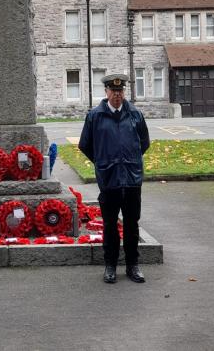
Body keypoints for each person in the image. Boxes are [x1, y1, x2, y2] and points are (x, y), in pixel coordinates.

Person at [79, 73, 150, 284]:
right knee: (110, 225)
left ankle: (132, 266)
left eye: (120, 91)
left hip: (131, 179)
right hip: (109, 180)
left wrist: (130, 161)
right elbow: (85, 145)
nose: (117, 95)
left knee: (131, 224)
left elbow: (143, 143)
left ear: (124, 92)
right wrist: (103, 162)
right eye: (113, 91)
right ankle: (110, 266)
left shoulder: (135, 114)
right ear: (106, 92)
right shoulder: (95, 116)